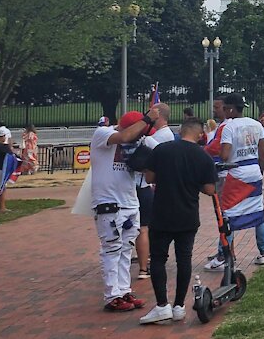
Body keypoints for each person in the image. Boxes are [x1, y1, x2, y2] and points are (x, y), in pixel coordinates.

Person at [136, 118, 217, 325]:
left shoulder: (162, 150)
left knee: (158, 259)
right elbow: (210, 189)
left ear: (180, 131)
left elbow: (149, 178)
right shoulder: (203, 156)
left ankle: (162, 305)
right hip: (188, 215)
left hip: (162, 213)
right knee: (184, 259)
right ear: (200, 135)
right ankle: (179, 305)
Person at [90, 111, 153, 312]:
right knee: (111, 248)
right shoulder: (102, 133)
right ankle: (112, 295)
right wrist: (147, 119)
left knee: (126, 249)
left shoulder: (136, 142)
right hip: (108, 203)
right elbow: (124, 136)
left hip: (129, 201)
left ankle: (124, 289)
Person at [208, 94, 264, 269]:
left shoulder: (229, 127)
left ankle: (225, 254)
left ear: (230, 108)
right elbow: (263, 152)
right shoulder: (256, 124)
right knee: (258, 211)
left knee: (227, 214)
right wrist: (259, 170)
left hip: (235, 173)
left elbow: (225, 154)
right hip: (254, 171)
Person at [132, 105, 168, 280]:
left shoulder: (120, 140)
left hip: (127, 189)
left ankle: (135, 262)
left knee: (133, 229)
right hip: (143, 187)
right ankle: (144, 267)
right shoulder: (148, 141)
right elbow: (163, 154)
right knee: (144, 229)